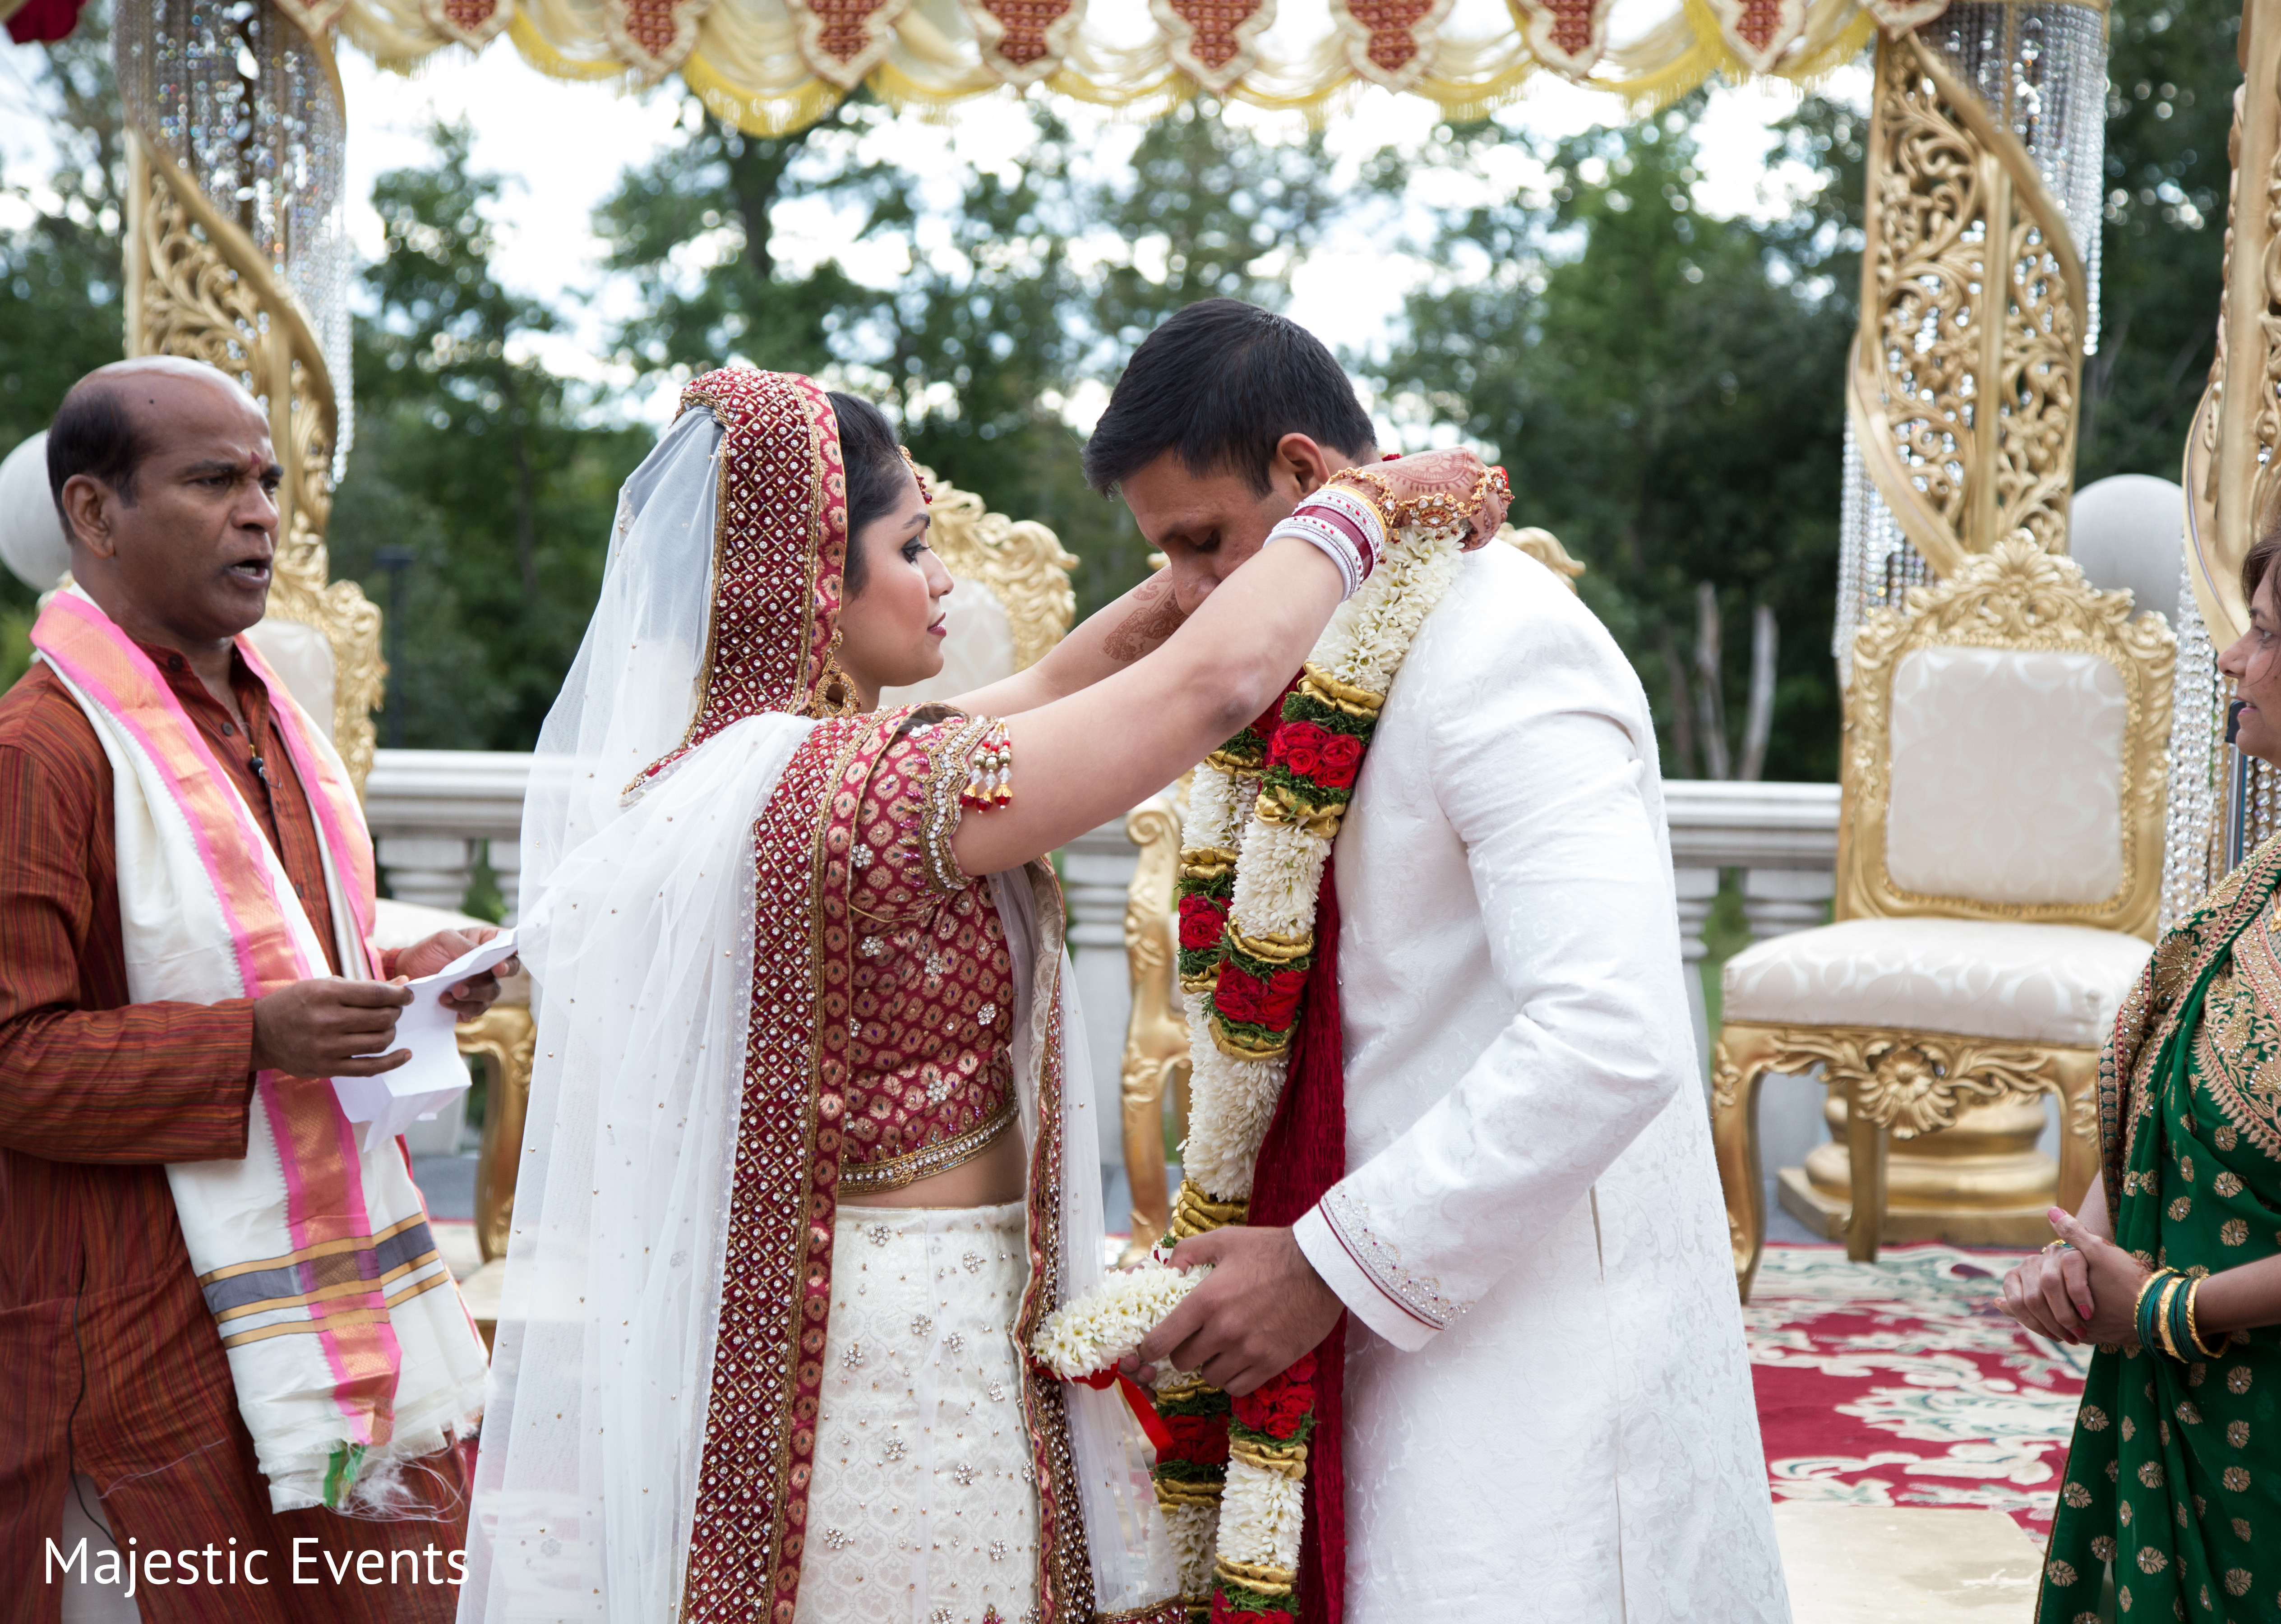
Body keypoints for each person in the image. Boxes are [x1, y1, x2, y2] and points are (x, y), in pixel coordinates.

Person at [459, 366, 1500, 1624]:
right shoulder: (870, 803)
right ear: (806, 580)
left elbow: (1070, 681)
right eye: (911, 545)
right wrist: (1369, 504)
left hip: (818, 1320)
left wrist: (1199, 573)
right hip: (907, 1354)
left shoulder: (735, 780)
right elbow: (1204, 693)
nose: (943, 577)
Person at [984, 299, 1788, 1622]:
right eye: (1162, 558)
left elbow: (1612, 1032)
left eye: (1201, 544)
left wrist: (1324, 1265)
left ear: (1307, 475)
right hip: (1380, 1279)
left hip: (1533, 1331)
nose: (1185, 593)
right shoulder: (1315, 651)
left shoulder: (1503, 645)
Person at [0, 356, 508, 1622]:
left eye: (268, 483)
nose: (261, 514)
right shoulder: (41, 754)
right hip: (129, 1323)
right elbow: (13, 1061)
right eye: (213, 480)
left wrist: (399, 986)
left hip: (315, 1305)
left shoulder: (274, 722)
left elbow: (275, 959)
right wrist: (255, 1046)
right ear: (94, 514)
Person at [2002, 489, 2281, 1622]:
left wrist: (2172, 1309)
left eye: (2267, 629)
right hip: (2182, 1408)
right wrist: (2081, 1254)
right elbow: (2170, 1090)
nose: (2235, 658)